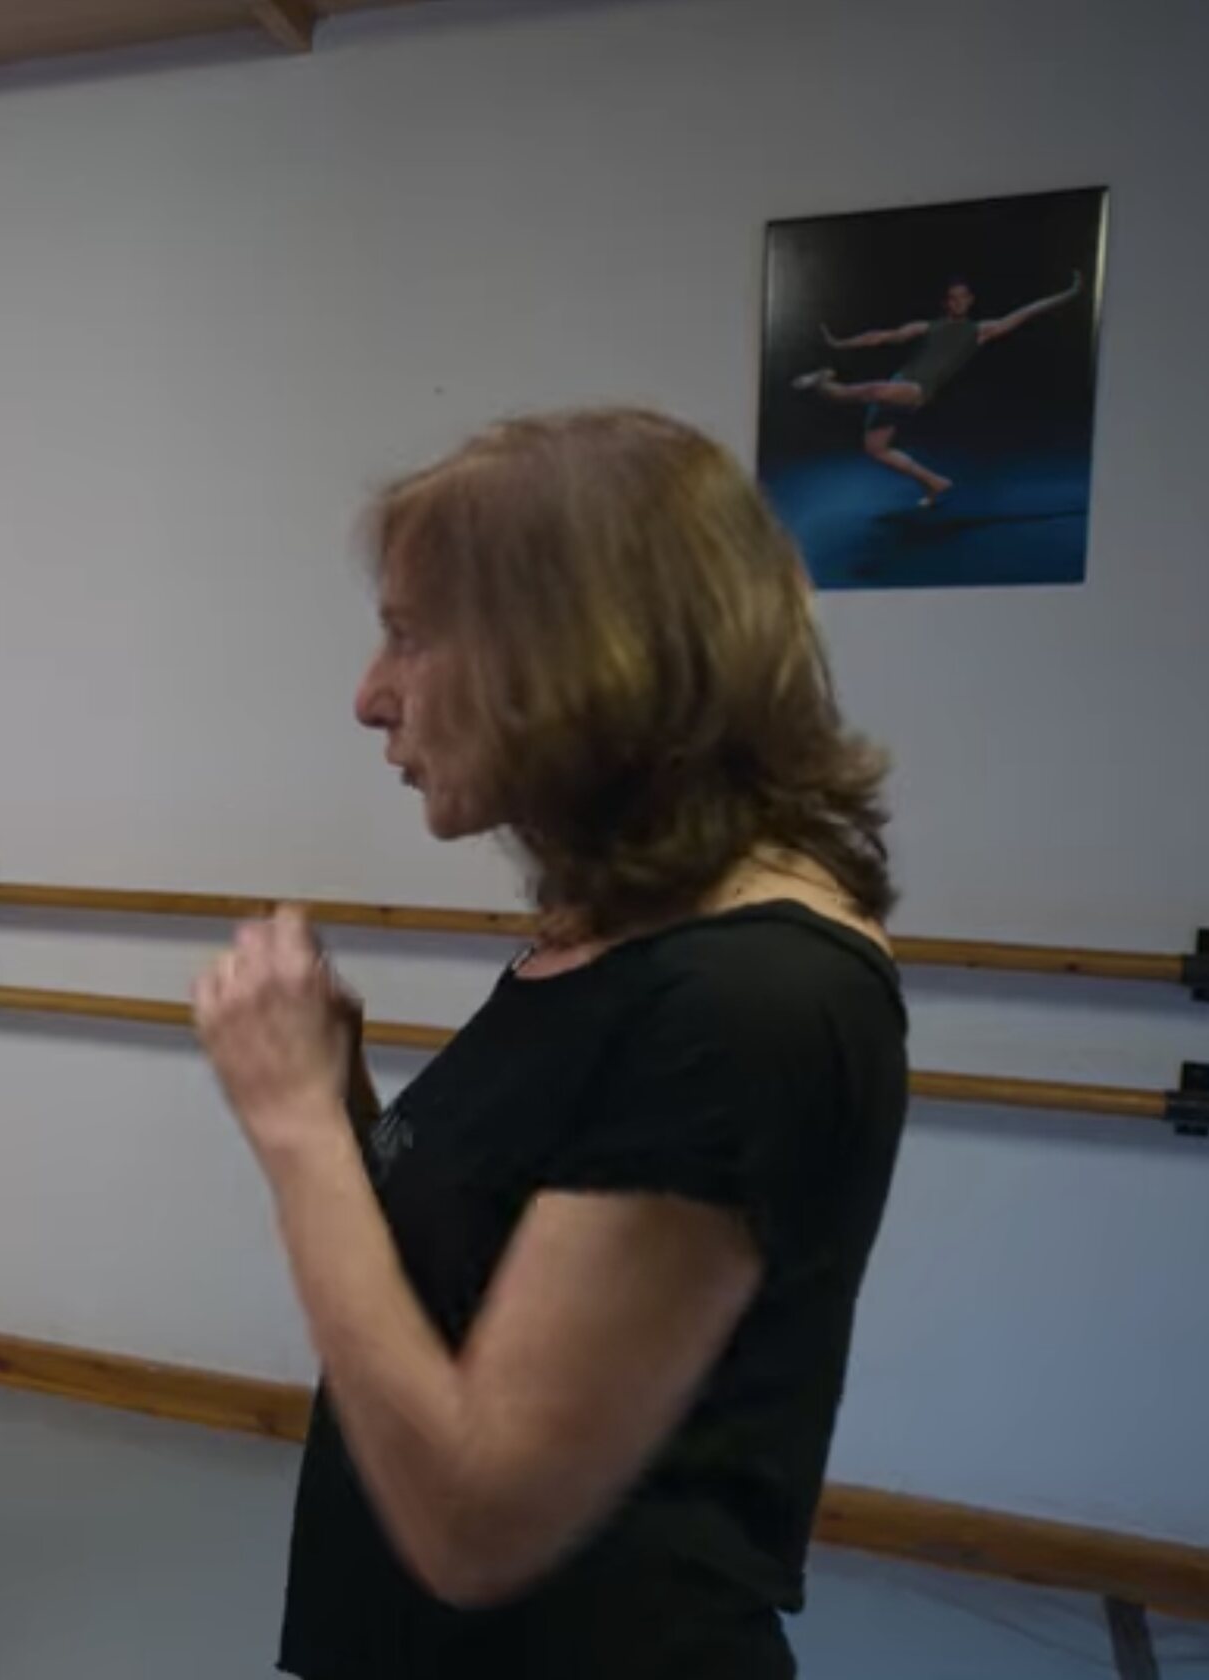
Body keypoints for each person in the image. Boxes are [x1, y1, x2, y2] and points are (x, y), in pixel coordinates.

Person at [191, 408, 909, 1678]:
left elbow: (477, 1521)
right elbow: (460, 1292)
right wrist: (346, 1102)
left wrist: (295, 1128)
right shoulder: (613, 940)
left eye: (409, 637)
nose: (370, 698)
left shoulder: (750, 1000)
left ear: (580, 656)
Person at [791, 270, 1084, 507]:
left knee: (872, 390)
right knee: (876, 449)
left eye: (962, 298)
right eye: (952, 298)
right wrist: (842, 343)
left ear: (970, 300)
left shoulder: (979, 331)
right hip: (899, 382)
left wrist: (1067, 294)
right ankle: (933, 482)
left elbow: (1024, 314)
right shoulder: (928, 327)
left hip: (917, 390)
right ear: (946, 303)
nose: (957, 302)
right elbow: (883, 337)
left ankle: (823, 377)